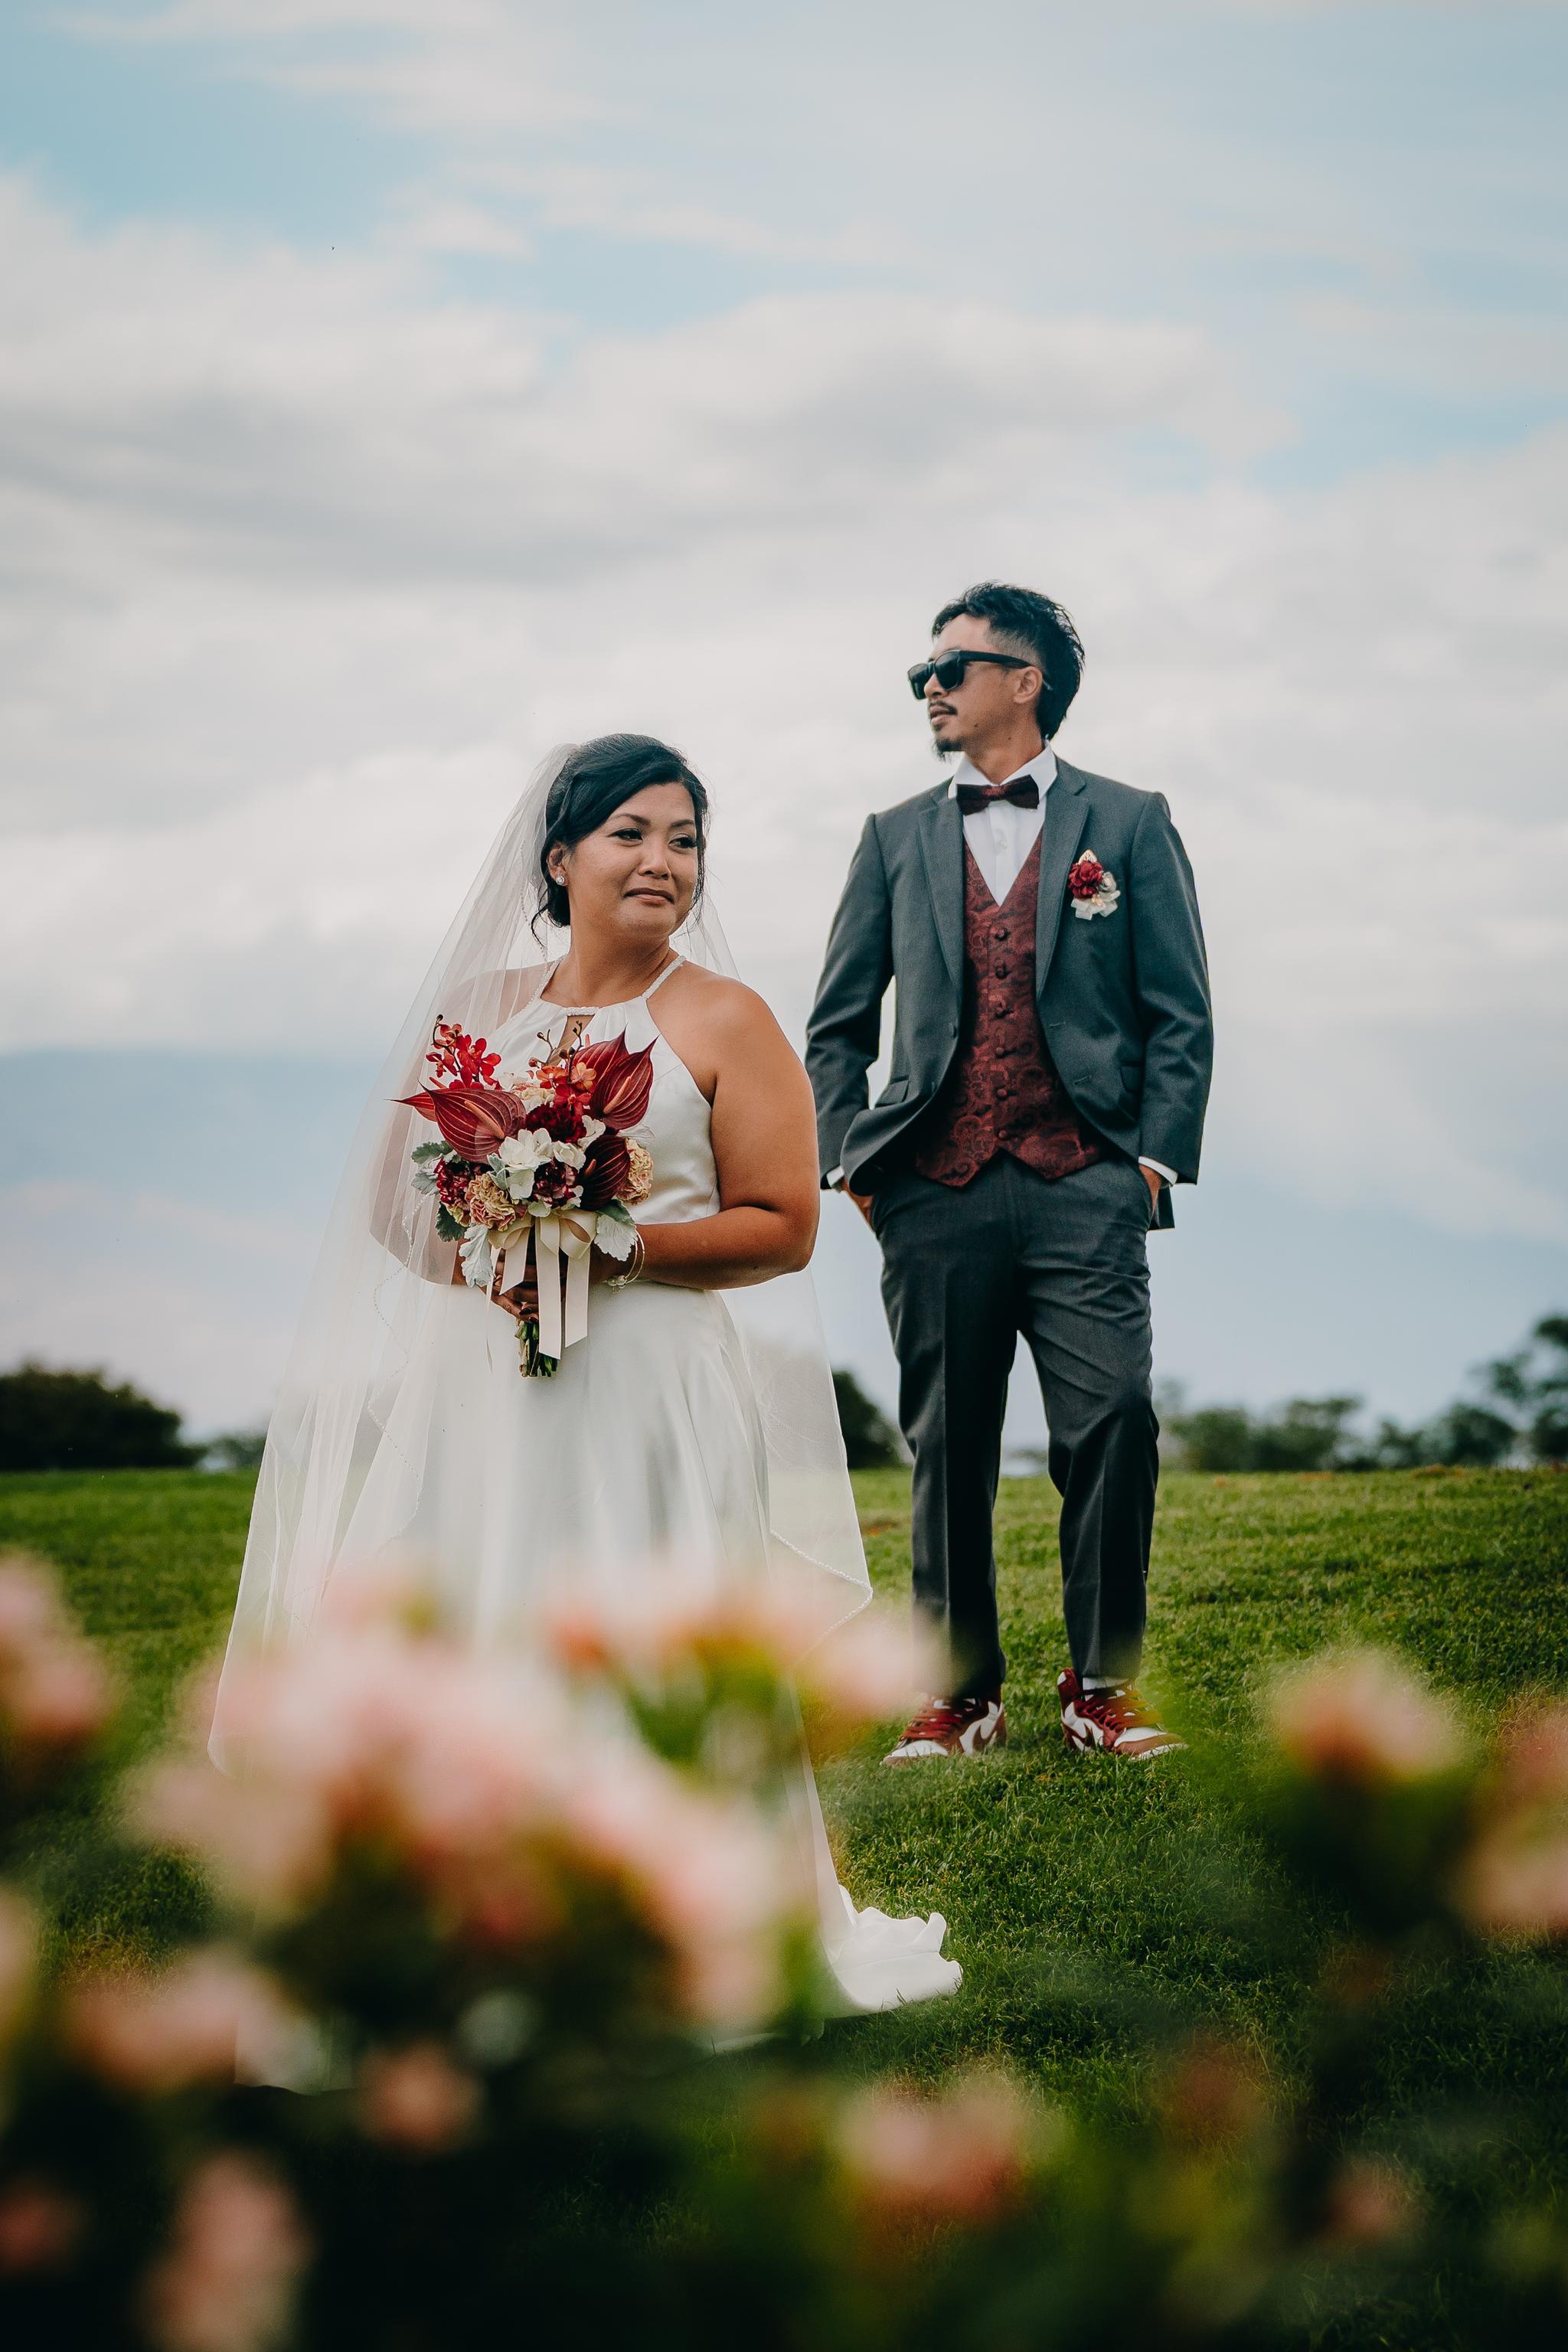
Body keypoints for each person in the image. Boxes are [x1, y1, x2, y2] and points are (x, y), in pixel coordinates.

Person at [211, 733, 959, 2016]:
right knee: (478, 1614)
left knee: (647, 1637)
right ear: (559, 860)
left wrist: (607, 1244)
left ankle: (692, 1932)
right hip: (480, 1387)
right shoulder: (483, 1007)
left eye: (686, 841)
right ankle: (464, 1924)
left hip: (650, 1389)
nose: (664, 862)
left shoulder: (727, 1018)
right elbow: (397, 1208)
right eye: (633, 835)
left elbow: (784, 1224)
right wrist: (492, 1259)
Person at [805, 584, 1213, 1764]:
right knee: (949, 1448)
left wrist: (1146, 1162)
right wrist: (856, 1165)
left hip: (1086, 1177)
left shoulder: (1130, 821)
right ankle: (958, 1694)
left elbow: (1179, 1013)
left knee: (1115, 1422)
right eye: (923, 675)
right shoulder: (891, 837)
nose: (931, 688)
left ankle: (1105, 1687)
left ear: (1025, 679)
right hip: (932, 1189)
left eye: (954, 667)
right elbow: (837, 1022)